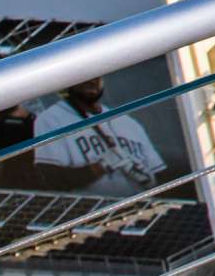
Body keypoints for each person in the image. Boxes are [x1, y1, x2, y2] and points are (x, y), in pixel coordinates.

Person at [32, 77, 166, 196]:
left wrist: (151, 180)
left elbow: (162, 175)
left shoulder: (129, 122)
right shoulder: (51, 119)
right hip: (90, 214)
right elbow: (51, 179)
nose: (92, 80)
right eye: (84, 75)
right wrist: (102, 166)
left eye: (97, 75)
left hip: (142, 210)